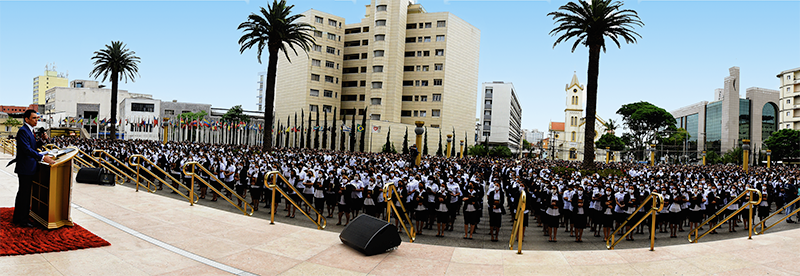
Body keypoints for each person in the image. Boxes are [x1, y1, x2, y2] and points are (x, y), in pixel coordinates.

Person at [9, 110, 55, 227]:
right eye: (34, 118)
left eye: (37, 118)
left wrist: (42, 141)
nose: (36, 120)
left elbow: (32, 146)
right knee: (24, 195)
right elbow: (26, 150)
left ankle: (18, 218)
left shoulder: (30, 131)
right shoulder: (23, 131)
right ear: (27, 119)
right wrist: (42, 157)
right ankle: (23, 221)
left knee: (23, 194)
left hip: (29, 167)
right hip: (25, 168)